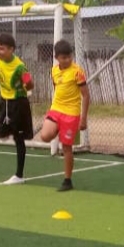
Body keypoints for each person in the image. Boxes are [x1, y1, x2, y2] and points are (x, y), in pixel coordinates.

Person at [37, 39, 90, 192]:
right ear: (57, 57)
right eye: (63, 57)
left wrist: (83, 118)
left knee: (66, 148)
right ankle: (58, 129)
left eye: (69, 57)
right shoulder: (54, 70)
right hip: (56, 109)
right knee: (45, 136)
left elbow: (86, 95)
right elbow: (56, 88)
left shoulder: (77, 72)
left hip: (71, 113)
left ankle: (67, 180)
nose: (67, 60)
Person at [0, 33, 35, 185]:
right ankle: (11, 129)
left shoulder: (19, 67)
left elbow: (30, 84)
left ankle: (19, 175)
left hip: (18, 103)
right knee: (0, 133)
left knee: (19, 139)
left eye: (2, 49)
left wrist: (25, 86)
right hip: (5, 102)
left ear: (11, 49)